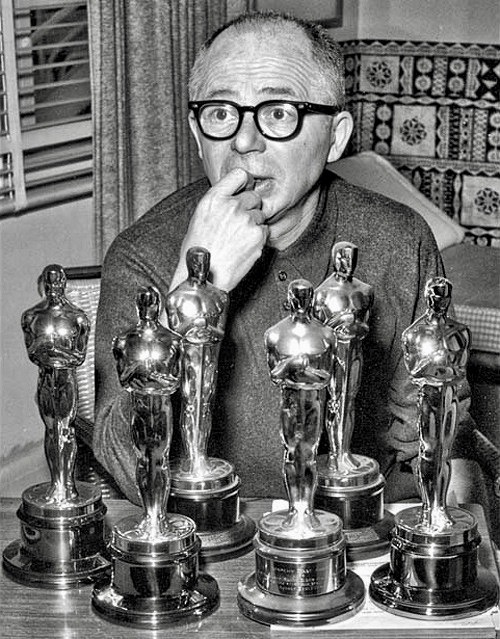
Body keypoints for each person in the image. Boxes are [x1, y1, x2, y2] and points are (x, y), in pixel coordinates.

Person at [93, 10, 479, 506]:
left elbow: (434, 440)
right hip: (211, 531)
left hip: (358, 524)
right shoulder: (141, 253)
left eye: (278, 112)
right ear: (195, 130)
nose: (243, 141)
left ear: (336, 136)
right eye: (220, 113)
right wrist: (199, 282)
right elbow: (128, 466)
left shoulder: (399, 239)